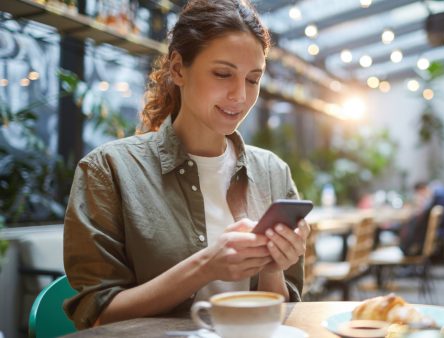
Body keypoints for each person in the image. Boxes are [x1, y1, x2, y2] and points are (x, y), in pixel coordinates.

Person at [63, 0, 309, 330]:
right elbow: (98, 317)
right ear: (178, 69)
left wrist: (273, 264)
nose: (240, 95)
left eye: (253, 79)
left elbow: (280, 313)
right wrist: (207, 265)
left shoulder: (272, 172)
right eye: (223, 74)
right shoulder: (109, 170)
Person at [400, 181, 444, 256]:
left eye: (419, 194)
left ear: (421, 189)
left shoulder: (440, 196)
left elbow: (440, 219)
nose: (421, 196)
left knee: (415, 226)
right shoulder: (437, 190)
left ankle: (409, 252)